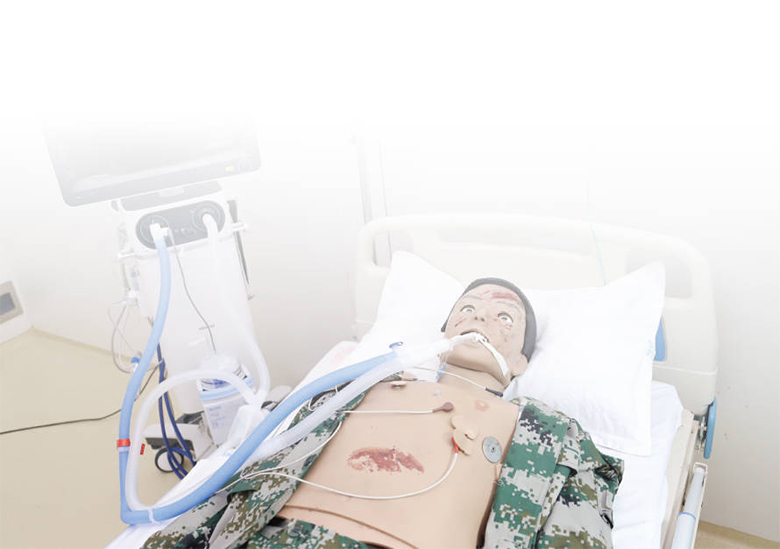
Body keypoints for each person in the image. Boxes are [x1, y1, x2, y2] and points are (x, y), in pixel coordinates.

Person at [145, 279, 623, 549]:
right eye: (468, 308)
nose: (480, 317)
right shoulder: (352, 388)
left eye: (504, 317)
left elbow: (578, 539)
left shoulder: (551, 434)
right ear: (443, 333)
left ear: (521, 362)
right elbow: (245, 482)